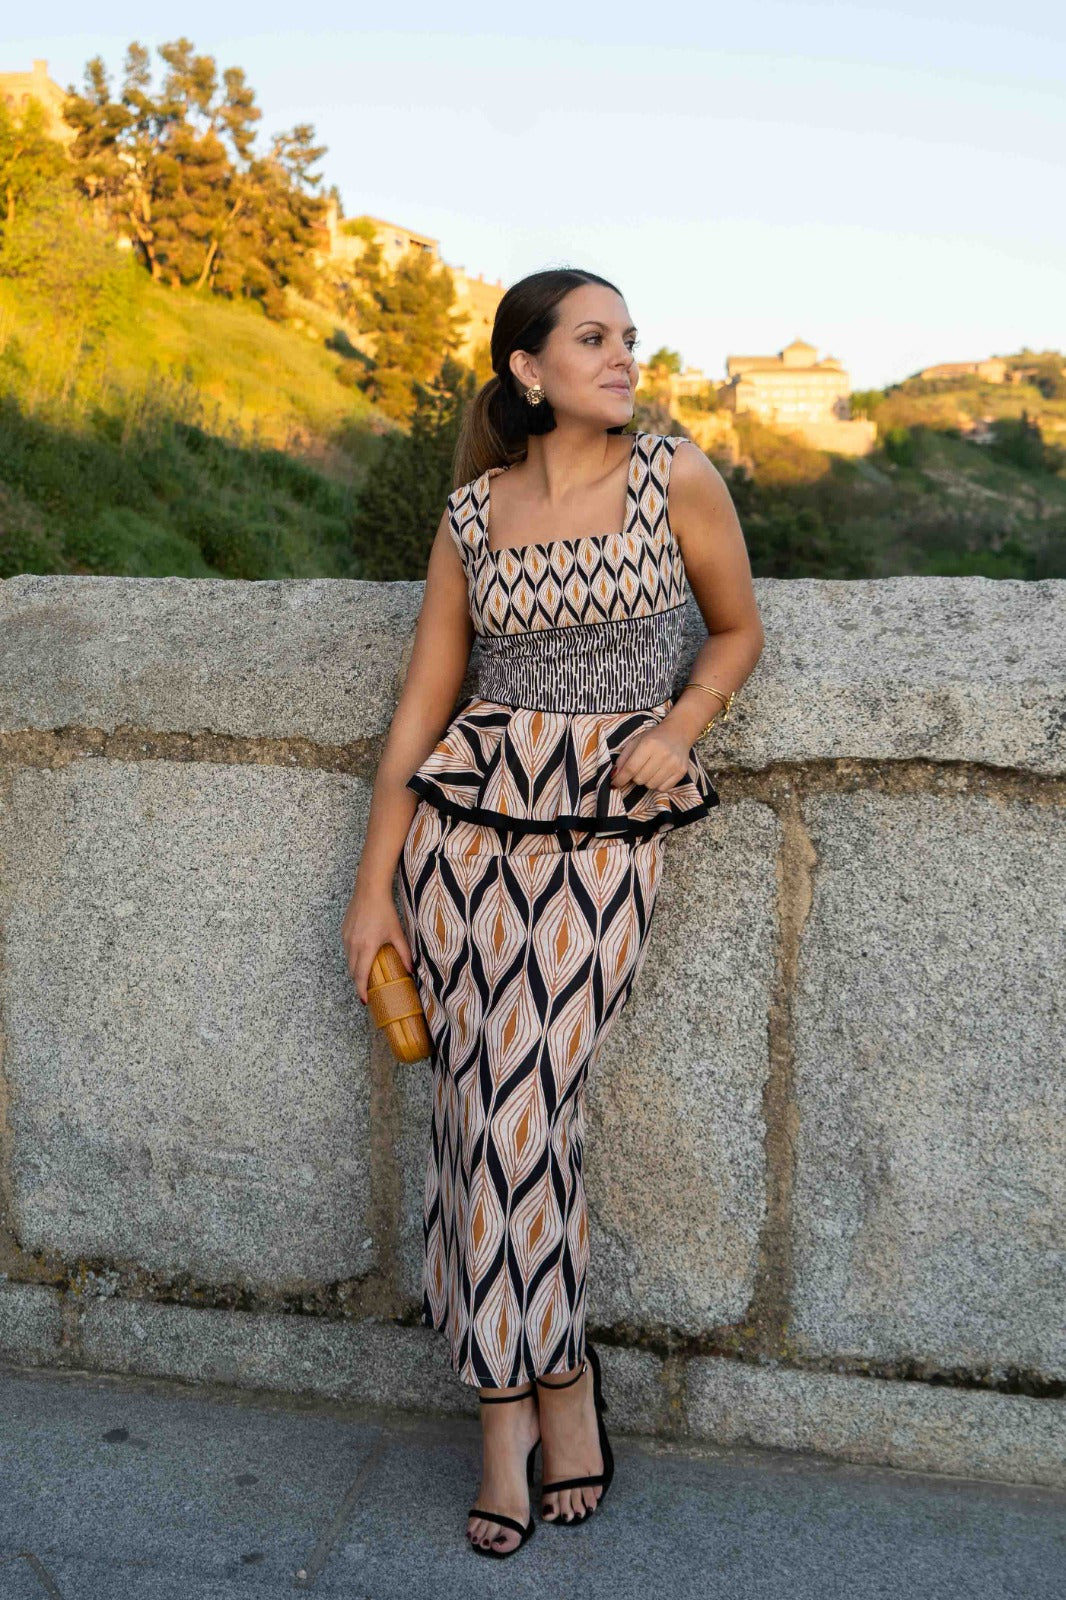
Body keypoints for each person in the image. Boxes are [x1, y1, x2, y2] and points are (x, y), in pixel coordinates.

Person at [341, 267, 764, 1557]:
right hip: (462, 845)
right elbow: (424, 704)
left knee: (523, 1109)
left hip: (600, 841)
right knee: (477, 1117)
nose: (623, 356)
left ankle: (541, 1392)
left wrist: (679, 727)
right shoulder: (472, 516)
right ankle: (528, 1401)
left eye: (628, 337)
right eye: (593, 338)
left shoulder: (675, 476)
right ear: (528, 369)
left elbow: (737, 631)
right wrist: (372, 891)